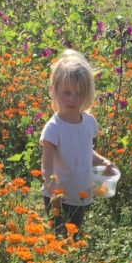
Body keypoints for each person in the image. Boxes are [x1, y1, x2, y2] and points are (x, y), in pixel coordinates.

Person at [40, 49, 115, 235]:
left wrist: (103, 162)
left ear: (87, 94)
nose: (72, 99)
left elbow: (86, 151)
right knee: (57, 236)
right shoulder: (53, 128)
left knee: (75, 234)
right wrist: (53, 190)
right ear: (54, 89)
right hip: (57, 195)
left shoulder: (88, 122)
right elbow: (46, 166)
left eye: (79, 94)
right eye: (66, 93)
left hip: (80, 192)